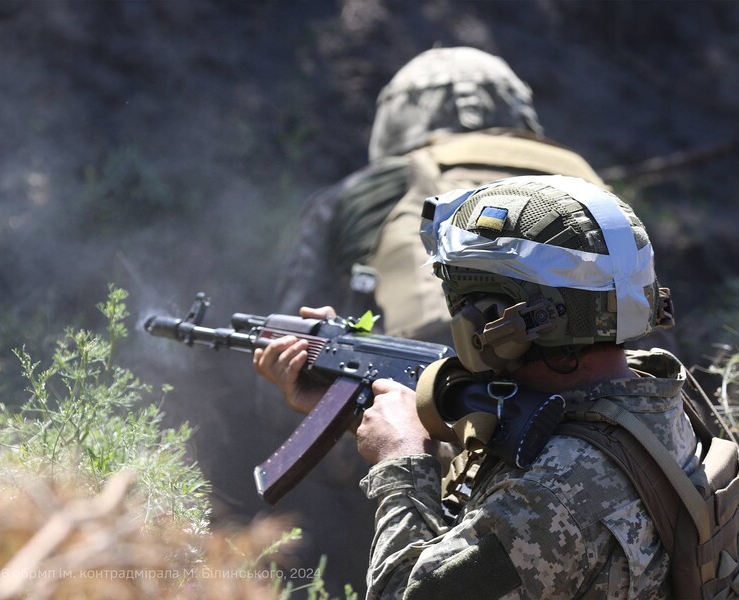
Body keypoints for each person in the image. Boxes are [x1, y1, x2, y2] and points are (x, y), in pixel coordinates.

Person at [254, 175, 694, 598]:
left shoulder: (554, 497)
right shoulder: (653, 394)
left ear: (499, 317)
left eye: (461, 300)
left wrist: (401, 462)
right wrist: (357, 412)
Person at [277, 46, 605, 345]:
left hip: (419, 392)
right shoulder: (587, 181)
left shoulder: (364, 189)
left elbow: (294, 333)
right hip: (598, 391)